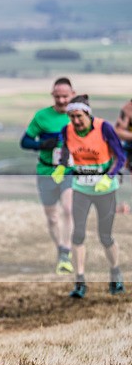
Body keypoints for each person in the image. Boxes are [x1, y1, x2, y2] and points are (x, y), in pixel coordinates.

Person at [53, 94, 126, 298]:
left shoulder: (104, 128)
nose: (75, 121)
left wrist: (108, 176)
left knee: (105, 236)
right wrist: (61, 168)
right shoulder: (66, 131)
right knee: (78, 234)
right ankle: (80, 282)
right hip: (81, 188)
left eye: (79, 116)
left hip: (105, 190)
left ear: (87, 113)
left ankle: (115, 274)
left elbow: (120, 157)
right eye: (71, 117)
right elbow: (66, 152)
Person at [20, 77, 76, 274]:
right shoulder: (42, 116)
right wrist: (41, 145)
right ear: (53, 96)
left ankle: (66, 250)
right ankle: (61, 250)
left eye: (65, 96)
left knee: (69, 209)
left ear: (73, 95)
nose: (61, 100)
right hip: (46, 171)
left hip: (69, 171)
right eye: (57, 96)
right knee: (52, 217)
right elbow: (25, 141)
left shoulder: (79, 116)